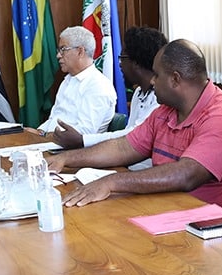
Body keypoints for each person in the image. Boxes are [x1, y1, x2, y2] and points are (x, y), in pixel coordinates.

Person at [47, 39, 222, 213]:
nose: (151, 81)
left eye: (157, 75)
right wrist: (65, 159)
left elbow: (185, 175)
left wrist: (111, 182)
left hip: (221, 228)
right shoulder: (165, 111)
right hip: (170, 210)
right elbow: (123, 148)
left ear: (175, 79)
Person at [52, 26, 167, 171]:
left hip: (145, 172)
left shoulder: (161, 99)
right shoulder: (139, 93)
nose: (120, 64)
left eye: (122, 58)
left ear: (136, 63)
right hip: (125, 166)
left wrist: (83, 140)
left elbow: (132, 136)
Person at [33, 26, 117, 137]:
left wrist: (45, 136)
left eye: (63, 49)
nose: (58, 55)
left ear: (80, 51)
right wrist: (39, 132)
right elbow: (54, 118)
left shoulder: (98, 85)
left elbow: (83, 133)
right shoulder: (68, 81)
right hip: (52, 140)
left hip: (72, 146)